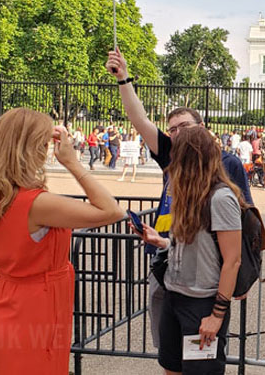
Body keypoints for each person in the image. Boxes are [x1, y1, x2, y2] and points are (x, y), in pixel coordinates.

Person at [106, 47, 253, 354]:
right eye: (172, 129)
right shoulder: (171, 156)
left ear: (202, 129)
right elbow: (139, 119)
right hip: (169, 264)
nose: (176, 134)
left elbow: (246, 223)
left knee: (200, 359)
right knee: (170, 355)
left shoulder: (228, 166)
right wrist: (124, 79)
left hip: (206, 280)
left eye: (184, 127)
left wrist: (238, 282)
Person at [0, 109, 124, 374]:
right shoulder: (36, 203)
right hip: (34, 307)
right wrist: (73, 163)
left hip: (3, 299)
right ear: (32, 148)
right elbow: (112, 210)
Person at [131, 127, 245, 374]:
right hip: (174, 295)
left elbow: (232, 260)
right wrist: (161, 242)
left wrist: (216, 315)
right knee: (171, 367)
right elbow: (198, 247)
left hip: (202, 304)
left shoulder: (221, 198)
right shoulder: (188, 194)